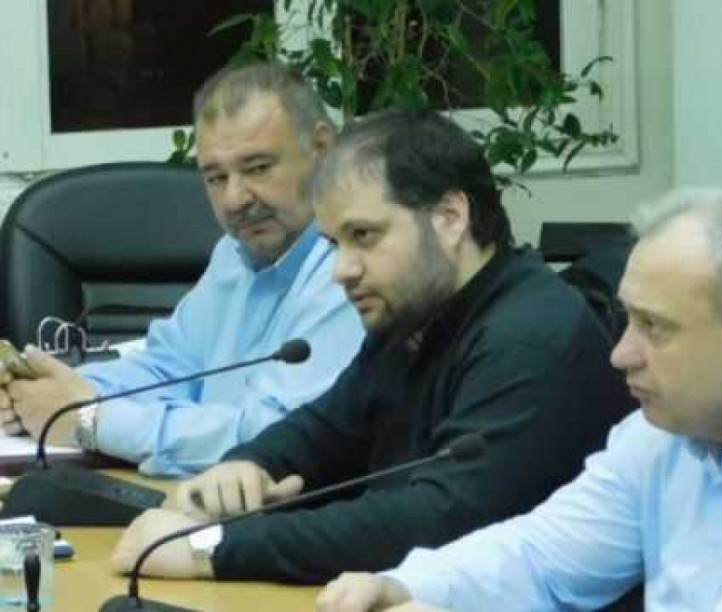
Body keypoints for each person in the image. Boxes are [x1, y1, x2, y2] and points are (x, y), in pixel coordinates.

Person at [109, 109, 634, 583]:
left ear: (450, 218)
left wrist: (215, 548)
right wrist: (249, 466)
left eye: (364, 236)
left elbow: (439, 519)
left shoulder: (530, 337)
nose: (342, 270)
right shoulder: (415, 317)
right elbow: (325, 429)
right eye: (335, 244)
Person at [316, 188, 722, 612]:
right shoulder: (664, 431)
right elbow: (542, 557)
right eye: (628, 320)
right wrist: (405, 586)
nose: (621, 354)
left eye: (655, 327)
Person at [0, 61, 364, 476]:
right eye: (215, 178)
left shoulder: (352, 272)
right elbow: (168, 367)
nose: (235, 200)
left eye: (257, 168)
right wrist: (48, 393)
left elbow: (275, 437)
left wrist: (91, 421)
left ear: (322, 149)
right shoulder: (235, 255)